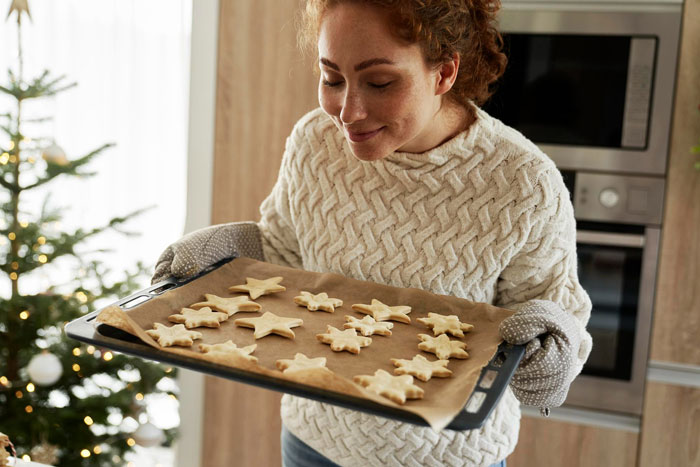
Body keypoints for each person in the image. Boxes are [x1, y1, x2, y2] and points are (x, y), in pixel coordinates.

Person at [152, 0, 593, 465]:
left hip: (446, 457)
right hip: (313, 441)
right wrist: (220, 254)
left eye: (380, 82)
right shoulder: (314, 143)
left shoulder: (523, 183)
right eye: (332, 78)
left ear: (443, 73)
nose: (348, 113)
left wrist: (549, 348)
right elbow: (282, 254)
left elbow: (557, 318)